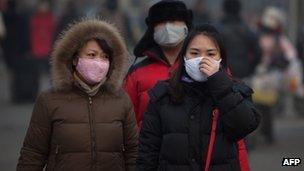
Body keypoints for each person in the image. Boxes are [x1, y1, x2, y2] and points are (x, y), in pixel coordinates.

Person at [17, 18, 138, 171]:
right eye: (91, 55)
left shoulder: (121, 100)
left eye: (105, 57)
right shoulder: (49, 100)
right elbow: (33, 153)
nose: (98, 62)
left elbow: (133, 152)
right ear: (75, 59)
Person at [137, 24, 260, 171]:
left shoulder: (235, 91)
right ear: (184, 57)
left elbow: (245, 125)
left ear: (221, 58)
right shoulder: (163, 94)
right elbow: (148, 151)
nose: (202, 60)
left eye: (211, 54)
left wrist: (219, 83)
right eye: (194, 53)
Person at [124, 0, 193, 127]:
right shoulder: (137, 73)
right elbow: (125, 120)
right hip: (148, 145)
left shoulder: (204, 66)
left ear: (186, 26)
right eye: (161, 22)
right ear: (152, 30)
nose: (167, 27)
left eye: (173, 21)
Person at [218, 0, 261, 80]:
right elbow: (258, 52)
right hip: (243, 72)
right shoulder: (247, 29)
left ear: (224, 9)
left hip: (222, 71)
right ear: (239, 10)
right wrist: (250, 68)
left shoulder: (217, 29)